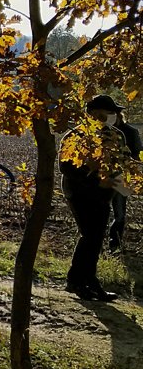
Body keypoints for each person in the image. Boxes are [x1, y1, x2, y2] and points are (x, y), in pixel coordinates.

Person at [61, 95, 127, 300]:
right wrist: (97, 182)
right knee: (90, 236)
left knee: (95, 238)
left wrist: (123, 181)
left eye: (112, 113)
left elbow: (122, 162)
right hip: (79, 193)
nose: (111, 116)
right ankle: (80, 281)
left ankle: (82, 280)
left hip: (104, 195)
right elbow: (66, 168)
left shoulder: (116, 136)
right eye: (107, 112)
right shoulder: (75, 136)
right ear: (92, 113)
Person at [110, 110, 142, 252]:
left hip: (122, 177)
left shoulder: (130, 132)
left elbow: (137, 154)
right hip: (102, 177)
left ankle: (114, 245)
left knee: (120, 214)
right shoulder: (101, 130)